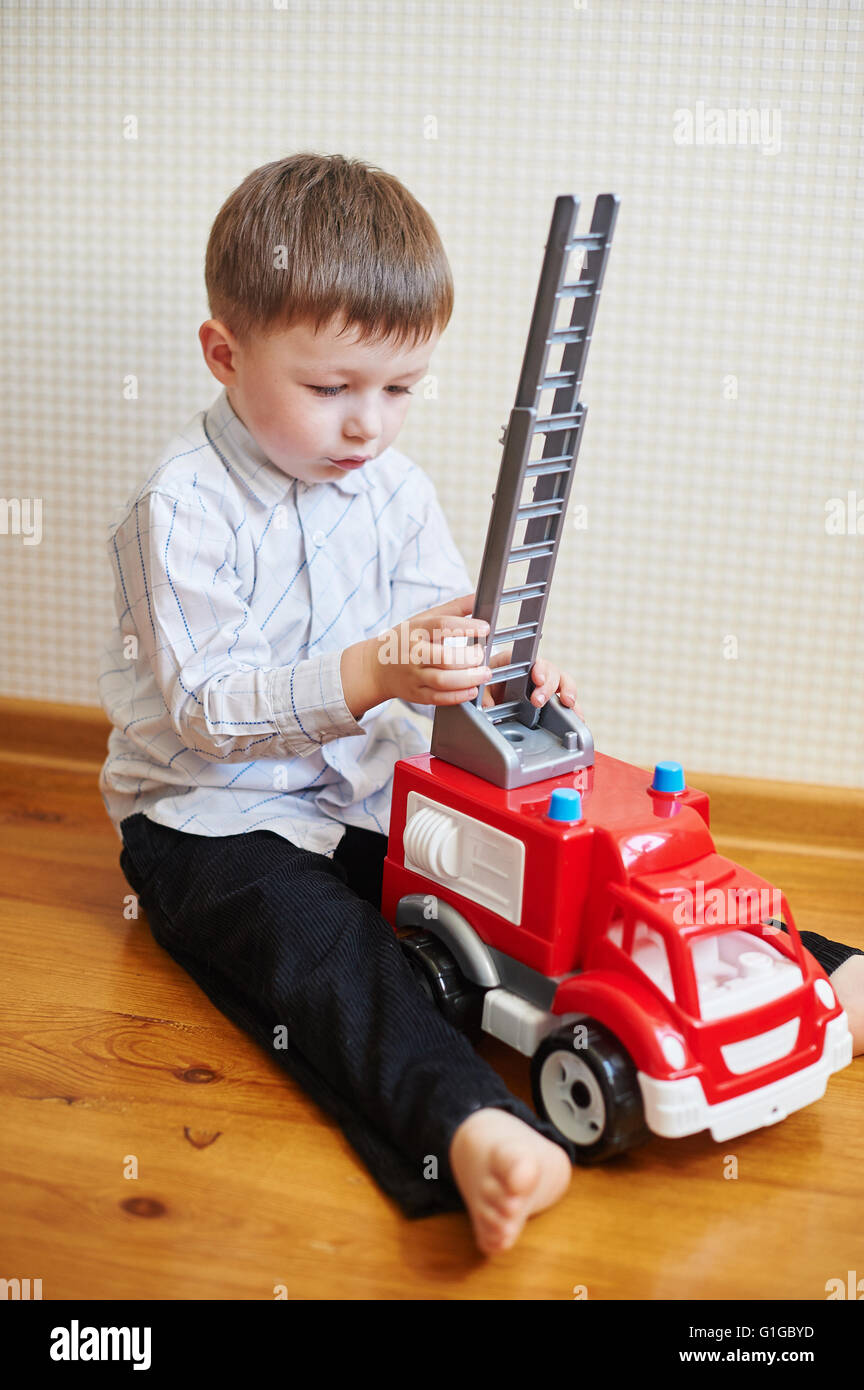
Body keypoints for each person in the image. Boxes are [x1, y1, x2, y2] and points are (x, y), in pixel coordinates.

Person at [98, 153, 864, 1256]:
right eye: (330, 389)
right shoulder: (179, 511)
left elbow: (440, 623)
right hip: (213, 820)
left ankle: (813, 968)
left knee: (572, 866)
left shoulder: (391, 488)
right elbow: (214, 711)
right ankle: (467, 1127)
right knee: (326, 952)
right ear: (225, 352)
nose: (368, 425)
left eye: (399, 389)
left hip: (362, 792)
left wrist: (500, 662)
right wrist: (379, 669)